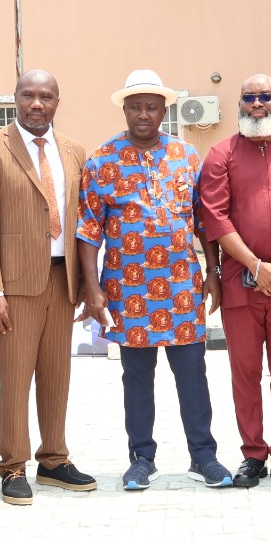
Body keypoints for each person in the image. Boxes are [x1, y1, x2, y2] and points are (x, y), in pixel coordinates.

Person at [78, 69, 231, 491]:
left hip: (183, 287)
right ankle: (141, 458)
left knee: (193, 374)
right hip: (128, 292)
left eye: (151, 106)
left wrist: (214, 274)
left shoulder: (186, 155)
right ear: (124, 109)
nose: (143, 114)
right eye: (135, 106)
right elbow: (88, 231)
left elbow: (205, 223)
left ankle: (205, 457)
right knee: (137, 378)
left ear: (164, 109)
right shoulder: (101, 161)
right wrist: (92, 290)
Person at [0, 69, 98, 503]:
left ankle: (54, 460)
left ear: (58, 102)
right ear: (15, 99)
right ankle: (13, 465)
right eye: (28, 95)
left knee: (58, 376)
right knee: (16, 379)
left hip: (64, 281)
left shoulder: (74, 151)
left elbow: (84, 223)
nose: (37, 103)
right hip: (15, 287)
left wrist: (88, 283)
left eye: (46, 96)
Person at [198, 73, 271, 490]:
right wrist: (256, 267)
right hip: (239, 284)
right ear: (239, 103)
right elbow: (215, 217)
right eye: (250, 97)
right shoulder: (220, 154)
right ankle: (252, 454)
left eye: (266, 96)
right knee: (244, 373)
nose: (257, 104)